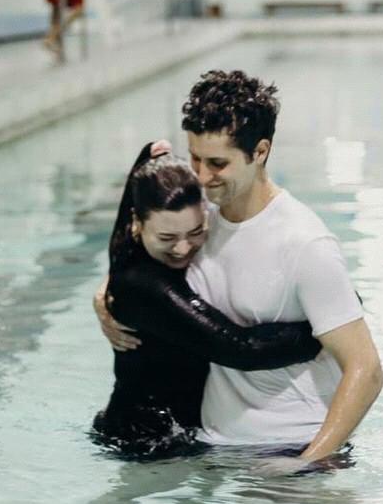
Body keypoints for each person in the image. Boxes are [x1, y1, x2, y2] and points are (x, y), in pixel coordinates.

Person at [97, 72, 383, 470]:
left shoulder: (304, 244)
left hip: (291, 445)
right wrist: (108, 294)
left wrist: (309, 459)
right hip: (214, 445)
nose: (200, 174)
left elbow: (366, 370)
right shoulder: (200, 221)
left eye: (218, 163)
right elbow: (147, 265)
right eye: (194, 157)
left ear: (260, 152)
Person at [92, 141, 323, 460]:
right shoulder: (143, 286)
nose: (183, 249)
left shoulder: (127, 245)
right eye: (166, 238)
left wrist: (148, 154)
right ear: (138, 224)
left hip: (177, 432)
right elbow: (240, 348)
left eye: (196, 232)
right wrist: (326, 324)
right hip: (146, 442)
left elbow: (132, 200)